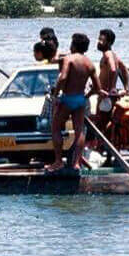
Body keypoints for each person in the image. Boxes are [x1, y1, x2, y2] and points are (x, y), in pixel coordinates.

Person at [47, 33, 104, 173]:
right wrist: (86, 96)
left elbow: (63, 77)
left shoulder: (69, 59)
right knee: (79, 132)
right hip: (80, 99)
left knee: (55, 128)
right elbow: (98, 88)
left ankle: (58, 161)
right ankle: (76, 163)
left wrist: (56, 95)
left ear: (73, 45)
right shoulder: (89, 63)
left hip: (67, 98)